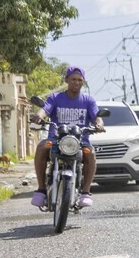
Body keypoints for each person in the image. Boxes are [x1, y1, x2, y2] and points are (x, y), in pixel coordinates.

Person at [30, 66, 104, 209]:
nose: (76, 82)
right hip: (56, 140)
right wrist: (39, 116)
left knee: (90, 154)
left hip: (80, 141)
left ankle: (86, 192)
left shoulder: (88, 101)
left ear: (83, 82)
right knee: (41, 147)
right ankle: (41, 189)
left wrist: (99, 124)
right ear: (66, 80)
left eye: (80, 80)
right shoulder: (55, 98)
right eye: (73, 79)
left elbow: (97, 116)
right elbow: (45, 109)